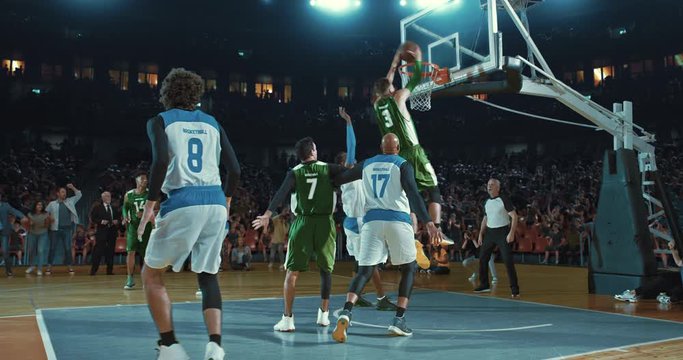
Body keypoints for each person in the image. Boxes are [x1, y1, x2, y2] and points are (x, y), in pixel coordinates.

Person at [136, 68, 240, 360]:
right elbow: (235, 169)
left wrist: (150, 203)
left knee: (152, 274)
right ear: (196, 94)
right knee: (208, 275)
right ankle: (215, 345)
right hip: (215, 202)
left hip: (183, 201)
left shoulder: (160, 121)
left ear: (166, 93)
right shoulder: (213, 123)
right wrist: (228, 200)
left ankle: (169, 345)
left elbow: (160, 162)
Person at [332, 133, 441, 342]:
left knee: (364, 271)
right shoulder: (402, 164)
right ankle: (398, 320)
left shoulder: (367, 164)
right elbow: (413, 194)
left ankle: (346, 312)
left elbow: (341, 178)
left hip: (371, 223)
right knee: (408, 267)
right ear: (397, 148)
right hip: (397, 221)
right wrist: (428, 222)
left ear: (381, 148)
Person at [252, 137, 345, 332]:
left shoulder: (294, 172)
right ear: (313, 151)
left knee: (292, 272)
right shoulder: (330, 168)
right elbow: (351, 173)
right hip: (324, 223)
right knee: (325, 270)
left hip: (302, 222)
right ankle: (324, 315)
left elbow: (281, 193)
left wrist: (267, 214)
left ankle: (287, 319)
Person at [371, 47, 449, 245]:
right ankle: (437, 232)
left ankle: (414, 239)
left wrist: (394, 62)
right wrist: (419, 63)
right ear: (390, 89)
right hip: (413, 151)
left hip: (396, 158)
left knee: (411, 197)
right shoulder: (398, 98)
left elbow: (385, 83)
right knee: (433, 189)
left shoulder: (377, 104)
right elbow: (414, 82)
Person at [338, 106, 398, 310]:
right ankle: (382, 299)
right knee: (371, 264)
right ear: (344, 163)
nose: (353, 160)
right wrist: (348, 123)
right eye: (349, 159)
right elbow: (352, 145)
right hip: (359, 223)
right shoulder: (348, 172)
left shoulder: (351, 177)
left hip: (350, 223)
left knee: (360, 263)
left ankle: (358, 295)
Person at [474, 179, 520, 298]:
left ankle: (515, 289)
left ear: (498, 188)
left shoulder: (503, 199)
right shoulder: (487, 201)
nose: (489, 186)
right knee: (483, 258)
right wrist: (480, 234)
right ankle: (484, 284)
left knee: (508, 261)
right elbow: (485, 218)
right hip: (490, 233)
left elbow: (514, 216)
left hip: (502, 232)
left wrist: (511, 233)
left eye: (492, 185)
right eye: (488, 185)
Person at [122, 173, 153, 289]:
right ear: (137, 181)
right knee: (130, 252)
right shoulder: (128, 194)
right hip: (133, 228)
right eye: (143, 179)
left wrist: (146, 214)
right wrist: (125, 216)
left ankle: (147, 279)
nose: (145, 181)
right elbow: (124, 207)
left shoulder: (150, 193)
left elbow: (156, 209)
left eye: (146, 179)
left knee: (146, 254)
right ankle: (130, 278)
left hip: (146, 227)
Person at [45, 183, 82, 275]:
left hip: (67, 229)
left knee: (67, 248)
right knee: (52, 248)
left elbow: (79, 195)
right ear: (58, 193)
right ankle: (49, 266)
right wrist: (49, 218)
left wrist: (73, 187)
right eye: (62, 192)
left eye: (65, 192)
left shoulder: (70, 201)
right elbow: (45, 213)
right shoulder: (52, 204)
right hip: (55, 229)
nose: (64, 193)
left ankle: (70, 266)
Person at [89, 191, 121, 275]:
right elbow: (93, 218)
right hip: (101, 232)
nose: (109, 198)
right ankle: (93, 270)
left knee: (110, 251)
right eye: (107, 196)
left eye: (109, 196)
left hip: (112, 232)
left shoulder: (114, 208)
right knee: (98, 251)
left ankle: (109, 271)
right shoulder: (97, 208)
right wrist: (101, 221)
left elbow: (119, 219)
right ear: (103, 198)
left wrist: (116, 221)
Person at [0, 192, 26, 277]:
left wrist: (22, 216)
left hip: (4, 231)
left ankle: (8, 270)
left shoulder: (5, 205)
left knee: (5, 251)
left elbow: (14, 211)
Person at [26, 201, 53, 276]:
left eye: (41, 205)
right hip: (32, 234)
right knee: (31, 250)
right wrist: (30, 224)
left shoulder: (46, 214)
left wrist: (47, 223)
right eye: (38, 204)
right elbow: (27, 225)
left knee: (40, 250)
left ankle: (40, 269)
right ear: (35, 206)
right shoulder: (30, 214)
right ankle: (32, 266)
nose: (40, 206)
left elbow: (49, 223)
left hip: (43, 234)